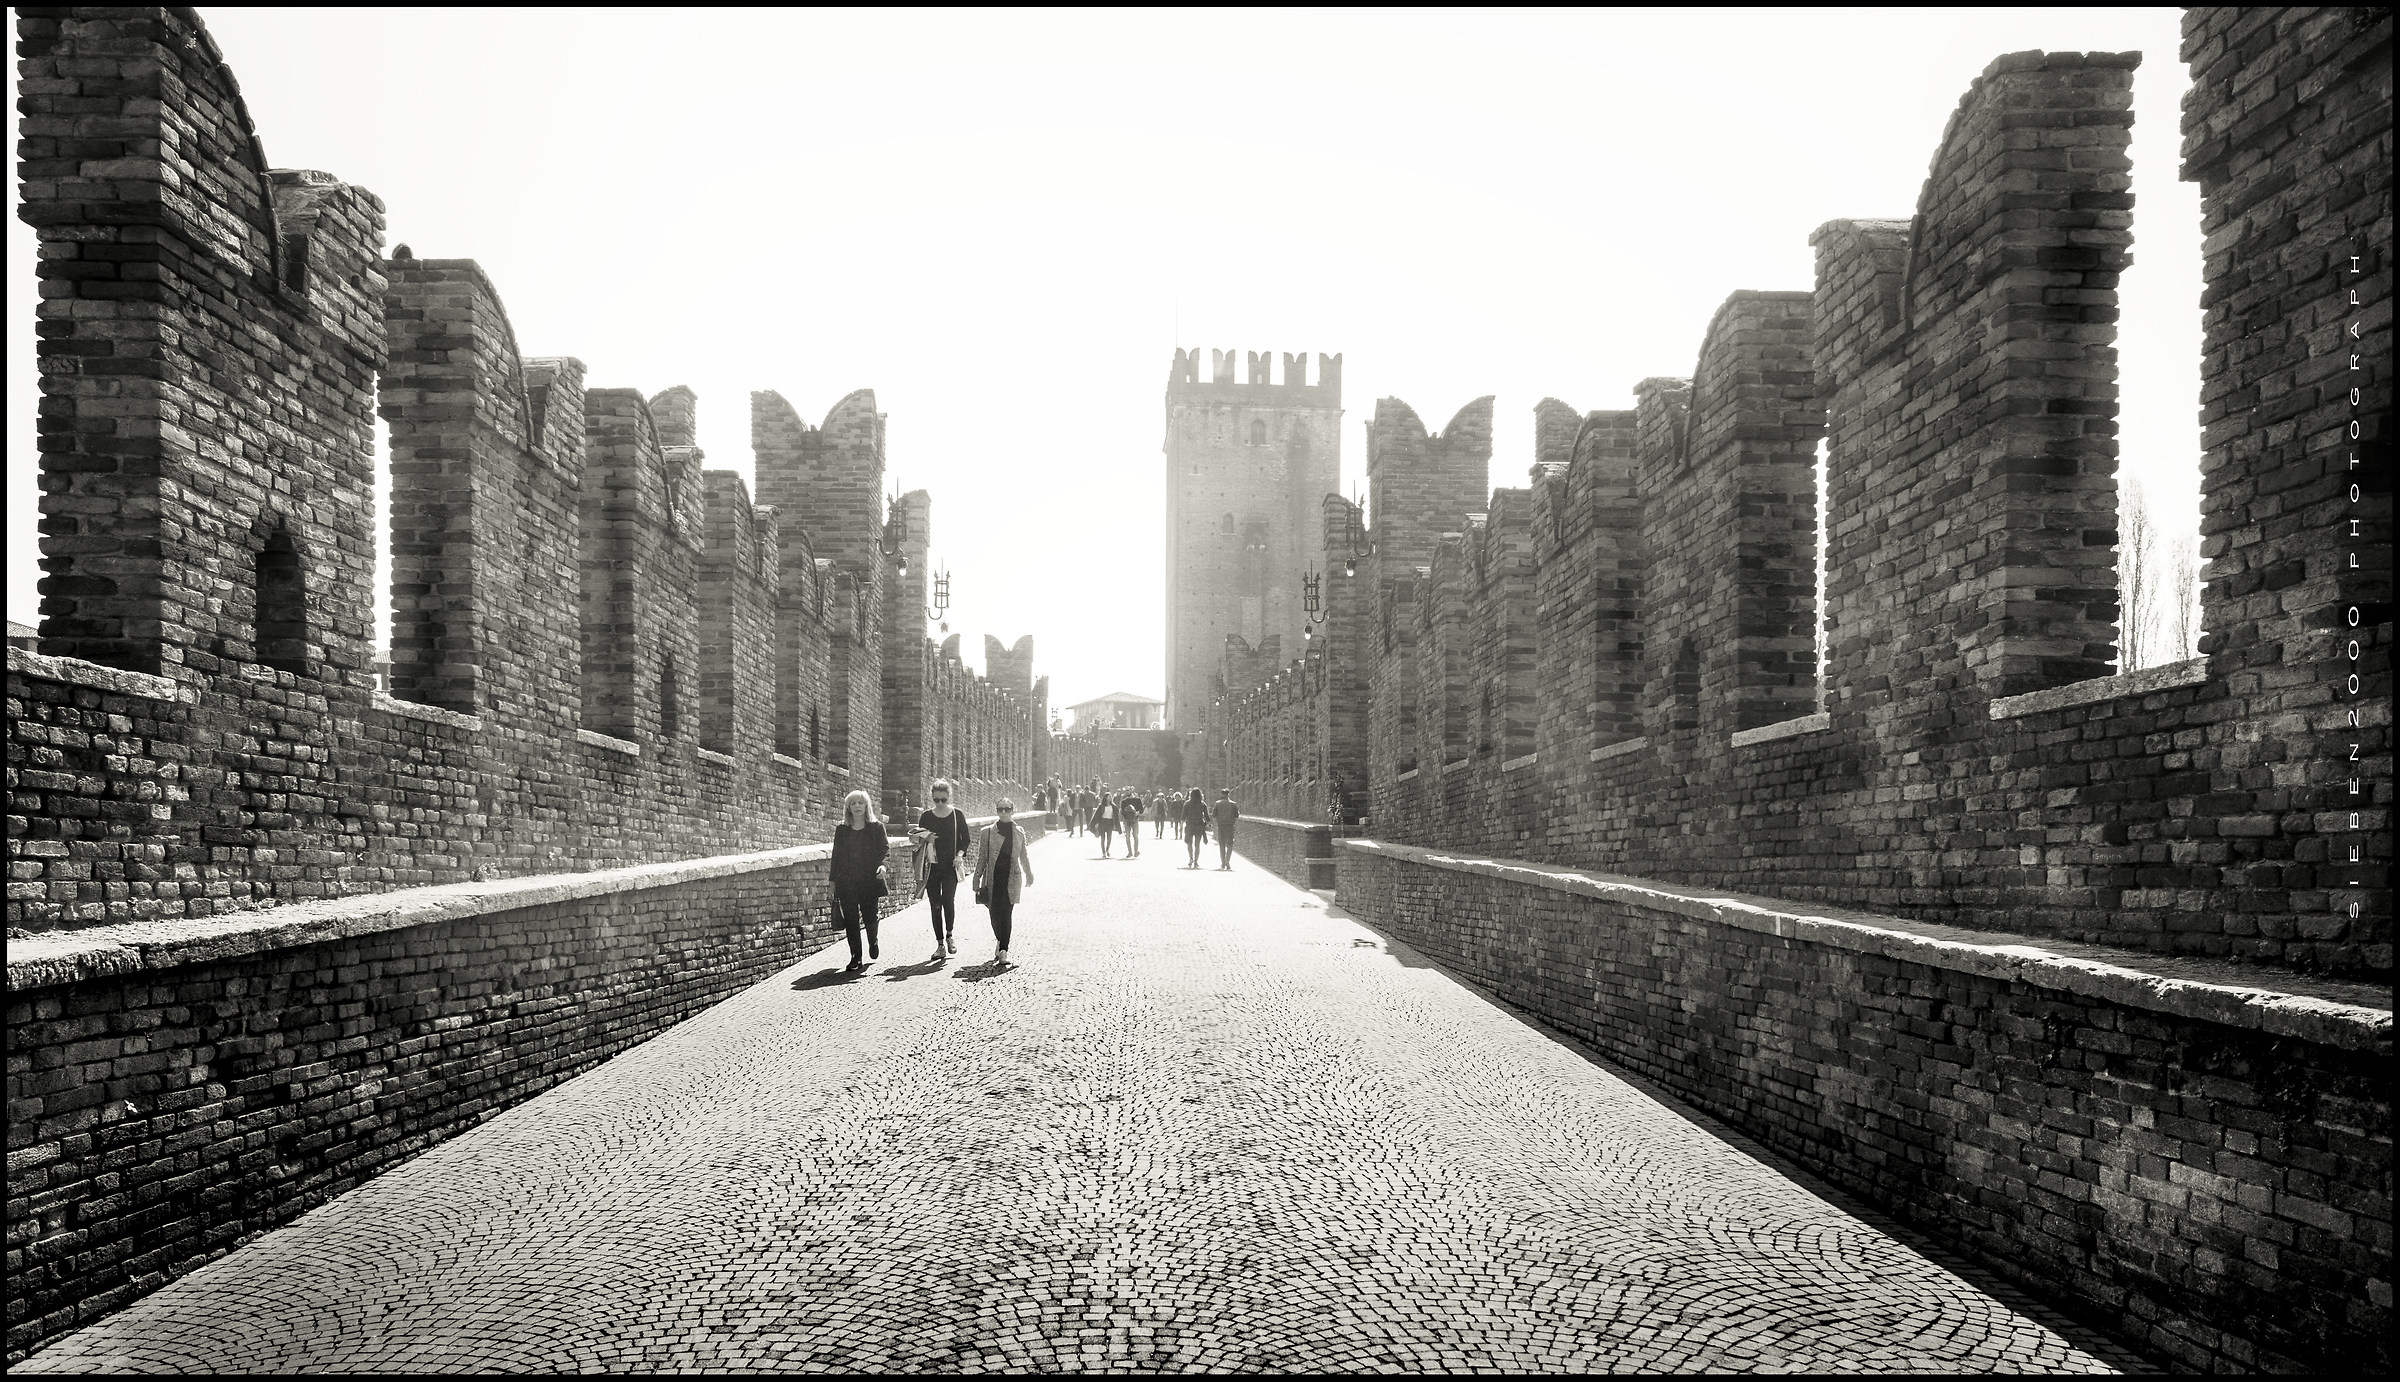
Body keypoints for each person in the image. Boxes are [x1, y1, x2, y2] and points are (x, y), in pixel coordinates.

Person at [910, 778, 971, 963]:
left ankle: (950, 935)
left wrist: (960, 854)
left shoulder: (956, 815)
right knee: (935, 904)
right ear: (932, 798)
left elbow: (965, 839)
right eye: (936, 800)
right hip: (932, 867)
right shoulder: (927, 816)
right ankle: (940, 944)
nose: (940, 803)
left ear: (949, 797)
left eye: (943, 800)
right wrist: (927, 837)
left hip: (950, 866)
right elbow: (915, 838)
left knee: (948, 901)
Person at [971, 797, 1036, 966]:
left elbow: (1024, 855)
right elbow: (982, 858)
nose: (1004, 812)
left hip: (1012, 877)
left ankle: (1004, 950)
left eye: (1007, 809)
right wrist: (976, 879)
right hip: (994, 878)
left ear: (1013, 811)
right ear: (997, 811)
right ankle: (1000, 940)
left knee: (1007, 913)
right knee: (994, 914)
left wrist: (1029, 874)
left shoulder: (1019, 832)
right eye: (1001, 809)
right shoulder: (988, 832)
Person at [831, 789, 890, 972]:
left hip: (869, 880)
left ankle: (873, 940)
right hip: (847, 881)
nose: (857, 806)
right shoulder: (842, 830)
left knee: (870, 916)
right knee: (851, 920)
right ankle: (856, 956)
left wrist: (882, 866)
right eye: (853, 803)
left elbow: (885, 850)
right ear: (848, 807)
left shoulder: (876, 827)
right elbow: (836, 857)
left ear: (866, 806)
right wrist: (832, 882)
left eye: (860, 803)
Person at [1211, 789, 1240, 871]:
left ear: (1221, 794)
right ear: (1228, 794)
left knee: (1222, 845)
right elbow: (1237, 815)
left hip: (1221, 826)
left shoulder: (1217, 803)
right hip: (1230, 826)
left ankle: (1223, 862)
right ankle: (1228, 861)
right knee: (1230, 844)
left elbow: (1213, 814)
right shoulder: (1233, 804)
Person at [1181, 787, 1209, 868]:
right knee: (1197, 845)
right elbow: (1207, 817)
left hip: (1189, 825)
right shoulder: (1203, 804)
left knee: (1189, 843)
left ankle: (1191, 858)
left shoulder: (1187, 803)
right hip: (1199, 826)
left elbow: (1183, 816)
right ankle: (1196, 861)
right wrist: (1209, 825)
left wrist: (1181, 826)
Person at [1093, 783, 1119, 857]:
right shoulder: (1101, 806)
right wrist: (1097, 823)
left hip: (1110, 822)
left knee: (1109, 838)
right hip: (1103, 822)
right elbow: (1097, 815)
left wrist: (1115, 824)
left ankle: (1107, 850)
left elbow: (1116, 816)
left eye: (1111, 796)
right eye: (1109, 796)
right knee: (1103, 838)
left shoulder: (1113, 806)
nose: (1111, 797)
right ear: (1106, 798)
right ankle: (1103, 853)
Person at [1121, 787, 1145, 858]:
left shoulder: (1137, 800)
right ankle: (1130, 852)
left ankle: (1136, 851)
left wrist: (1137, 813)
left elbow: (1141, 809)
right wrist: (1127, 815)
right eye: (1126, 790)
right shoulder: (1124, 801)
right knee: (1127, 836)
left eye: (1129, 790)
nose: (1127, 792)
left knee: (1135, 835)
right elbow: (1122, 811)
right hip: (1126, 820)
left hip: (1135, 819)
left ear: (1132, 791)